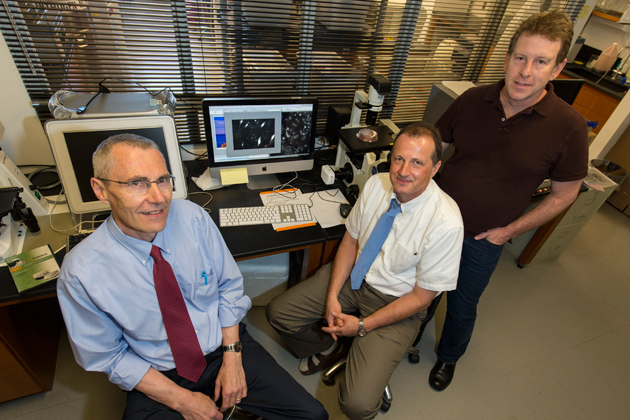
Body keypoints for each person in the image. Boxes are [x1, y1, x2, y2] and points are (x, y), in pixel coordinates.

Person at [57, 134, 328, 420]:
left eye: (162, 180)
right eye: (137, 183)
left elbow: (229, 287)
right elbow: (108, 355)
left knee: (313, 416)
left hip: (224, 344)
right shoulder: (81, 273)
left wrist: (233, 357)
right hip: (158, 372)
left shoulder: (193, 218)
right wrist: (182, 400)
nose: (158, 197)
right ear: (101, 190)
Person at [429, 9, 589, 392]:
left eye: (540, 61)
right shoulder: (471, 99)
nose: (525, 71)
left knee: (462, 306)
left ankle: (448, 358)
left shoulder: (568, 127)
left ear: (557, 68)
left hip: (485, 239)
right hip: (434, 221)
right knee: (420, 287)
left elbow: (565, 194)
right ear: (507, 58)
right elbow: (436, 149)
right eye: (520, 57)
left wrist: (509, 232)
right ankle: (405, 335)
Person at [266, 122, 464, 420]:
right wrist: (332, 295)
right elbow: (351, 239)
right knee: (278, 313)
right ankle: (330, 345)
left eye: (417, 163)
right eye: (398, 158)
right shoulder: (376, 184)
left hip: (397, 302)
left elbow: (422, 298)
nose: (403, 171)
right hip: (353, 279)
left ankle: (356, 344)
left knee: (356, 405)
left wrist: (361, 327)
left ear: (435, 168)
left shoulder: (447, 223)